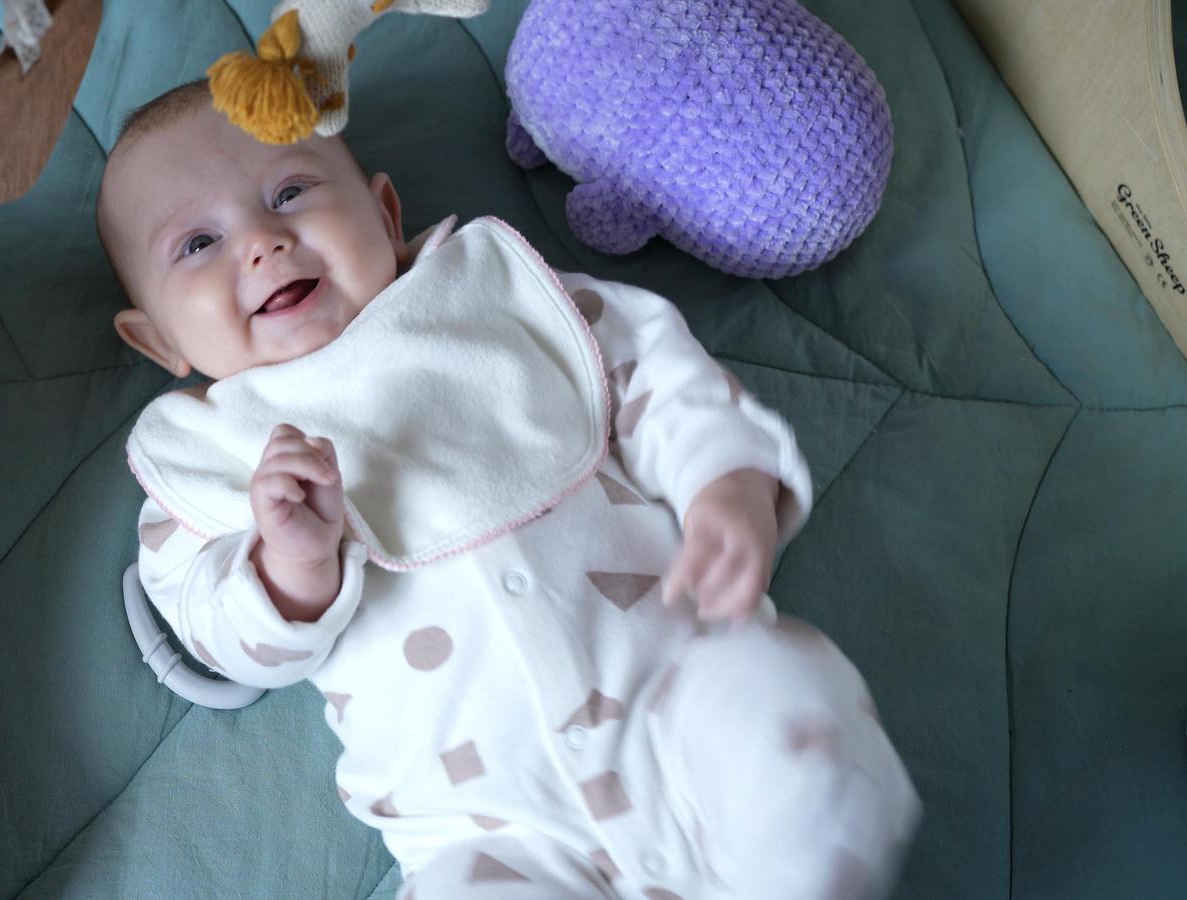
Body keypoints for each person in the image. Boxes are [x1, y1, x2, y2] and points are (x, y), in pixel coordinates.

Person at [97, 79, 920, 900]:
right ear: (156, 338)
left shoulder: (498, 297)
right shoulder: (202, 466)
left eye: (290, 190)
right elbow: (214, 630)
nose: (264, 241)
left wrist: (726, 481)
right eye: (197, 244)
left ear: (385, 214)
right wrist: (289, 572)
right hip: (490, 829)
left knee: (782, 697)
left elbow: (656, 373)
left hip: (677, 698)